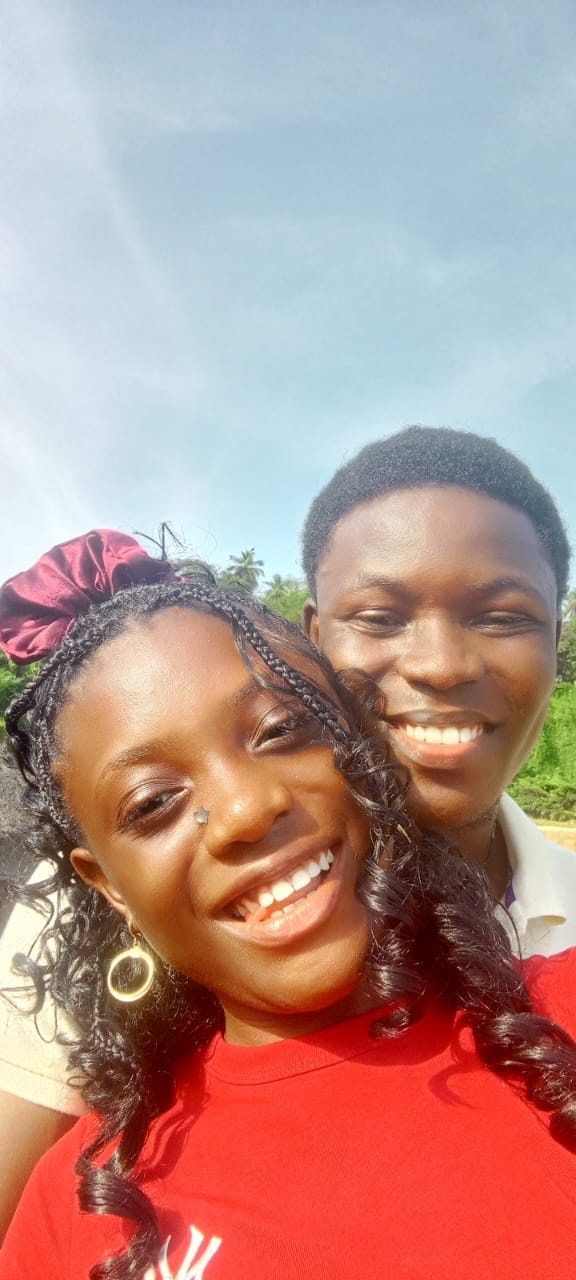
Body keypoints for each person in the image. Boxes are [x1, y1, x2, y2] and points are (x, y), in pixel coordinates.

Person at [2, 534, 576, 1280]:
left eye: (280, 731)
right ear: (109, 886)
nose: (244, 810)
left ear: (363, 750)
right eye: (152, 803)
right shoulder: (80, 1203)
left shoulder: (555, 1022)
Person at [302, 424, 575, 956]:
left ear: (554, 640)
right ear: (315, 640)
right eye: (380, 618)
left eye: (501, 619)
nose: (442, 667)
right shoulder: (233, 935)